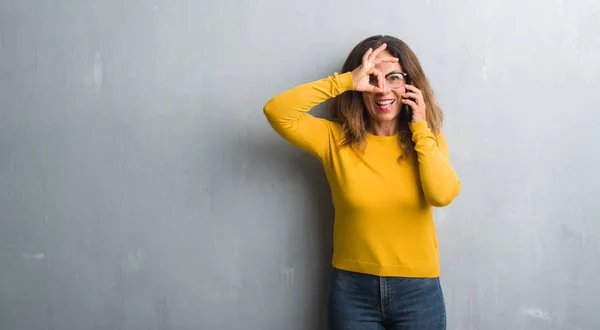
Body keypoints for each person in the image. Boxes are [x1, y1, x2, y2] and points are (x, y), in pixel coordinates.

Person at [263, 35, 461, 330]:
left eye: (394, 77)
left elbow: (442, 194)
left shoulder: (429, 142)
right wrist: (343, 82)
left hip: (418, 292)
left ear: (410, 84)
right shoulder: (335, 140)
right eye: (372, 77)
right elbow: (277, 112)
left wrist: (420, 126)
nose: (382, 90)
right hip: (352, 290)